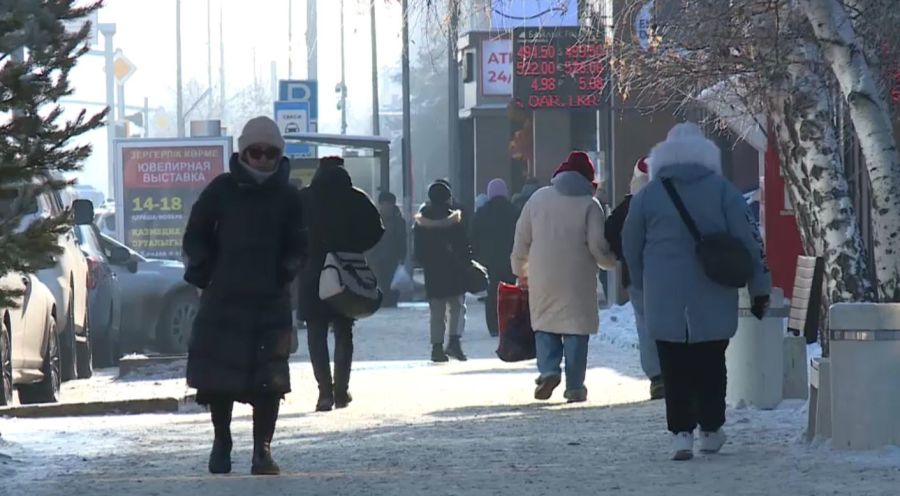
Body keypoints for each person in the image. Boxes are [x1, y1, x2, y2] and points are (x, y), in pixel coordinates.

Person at [623, 123, 771, 461]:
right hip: (713, 292)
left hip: (664, 296)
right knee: (711, 363)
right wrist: (760, 286)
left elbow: (631, 244)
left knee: (674, 366)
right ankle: (710, 430)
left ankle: (680, 434)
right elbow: (750, 241)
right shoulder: (723, 191)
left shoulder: (648, 194)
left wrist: (643, 282)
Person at [183, 116, 305, 476]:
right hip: (224, 299)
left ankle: (261, 452)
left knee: (268, 383)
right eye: (256, 151)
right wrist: (206, 271)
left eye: (271, 152)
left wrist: (286, 271)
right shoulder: (221, 189)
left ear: (279, 154)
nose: (264, 158)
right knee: (218, 380)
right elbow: (195, 234)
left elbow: (300, 243)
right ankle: (221, 444)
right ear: (243, 152)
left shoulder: (289, 196)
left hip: (269, 301)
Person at [511, 151, 617, 403]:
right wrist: (610, 263)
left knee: (545, 325)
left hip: (542, 275)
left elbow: (521, 237)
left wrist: (520, 269)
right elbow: (597, 246)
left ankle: (548, 371)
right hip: (578, 279)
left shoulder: (538, 198)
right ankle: (575, 386)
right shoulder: (590, 205)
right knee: (576, 331)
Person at [298, 156, 384, 413]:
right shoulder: (356, 197)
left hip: (313, 271)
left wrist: (305, 253)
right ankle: (341, 390)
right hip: (346, 270)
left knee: (316, 332)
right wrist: (354, 247)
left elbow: (290, 230)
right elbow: (377, 230)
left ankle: (324, 392)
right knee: (343, 330)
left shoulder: (305, 198)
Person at [605, 156, 664, 400]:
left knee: (645, 324)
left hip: (636, 275)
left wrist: (622, 256)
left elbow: (609, 231)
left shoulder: (627, 207)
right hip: (668, 274)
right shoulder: (669, 202)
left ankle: (657, 377)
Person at [414, 181, 473, 362]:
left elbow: (418, 252)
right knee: (457, 307)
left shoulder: (421, 222)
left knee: (437, 311)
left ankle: (437, 348)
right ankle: (454, 342)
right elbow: (463, 247)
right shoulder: (454, 221)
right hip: (453, 271)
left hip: (433, 272)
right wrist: (467, 263)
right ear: (447, 198)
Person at [470, 178, 519, 337]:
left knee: (491, 294)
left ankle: (493, 326)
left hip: (488, 261)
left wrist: (476, 255)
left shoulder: (482, 213)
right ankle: (508, 323)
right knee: (509, 291)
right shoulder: (513, 211)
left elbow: (473, 236)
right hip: (509, 259)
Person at [371, 191, 407, 308]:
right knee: (378, 281)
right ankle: (380, 302)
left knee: (391, 283)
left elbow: (402, 240)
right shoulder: (373, 218)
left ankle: (390, 302)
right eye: (384, 204)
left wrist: (402, 256)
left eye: (389, 205)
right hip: (375, 257)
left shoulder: (398, 221)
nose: (387, 208)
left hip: (392, 257)